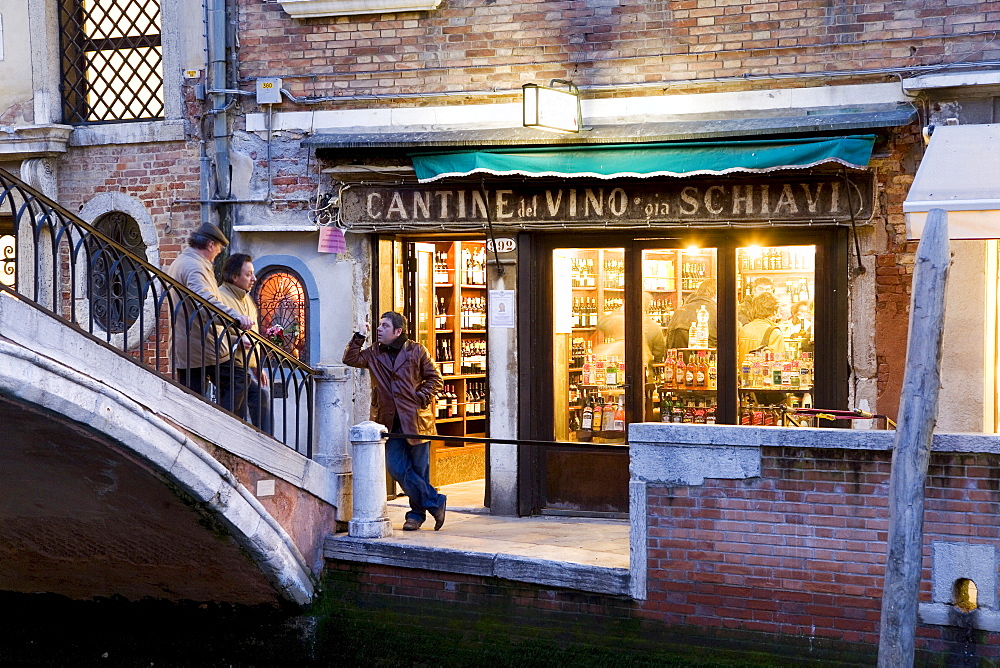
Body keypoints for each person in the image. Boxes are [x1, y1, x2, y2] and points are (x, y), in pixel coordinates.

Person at [343, 311, 447, 531]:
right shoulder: (373, 353)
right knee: (396, 467)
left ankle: (416, 516)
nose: (379, 329)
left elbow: (435, 378)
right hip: (388, 421)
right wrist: (359, 336)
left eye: (385, 326)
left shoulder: (417, 350)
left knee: (419, 470)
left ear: (398, 331)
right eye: (379, 325)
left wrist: (421, 396)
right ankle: (436, 501)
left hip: (416, 420)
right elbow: (350, 358)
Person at [166, 222, 254, 414]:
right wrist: (236, 317)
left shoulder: (181, 262)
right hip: (203, 347)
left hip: (190, 348)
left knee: (193, 401)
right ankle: (223, 425)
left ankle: (203, 432)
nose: (218, 254)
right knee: (238, 378)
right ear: (210, 245)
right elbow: (205, 303)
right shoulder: (195, 267)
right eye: (219, 249)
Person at [218, 253, 272, 434]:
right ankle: (227, 435)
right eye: (248, 274)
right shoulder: (220, 297)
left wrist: (256, 365)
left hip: (242, 366)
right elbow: (213, 332)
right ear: (234, 277)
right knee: (239, 402)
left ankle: (265, 440)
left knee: (259, 396)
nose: (254, 279)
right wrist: (236, 340)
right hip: (225, 365)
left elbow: (253, 335)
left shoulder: (247, 299)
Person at [664, 278, 717, 349]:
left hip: (680, 359)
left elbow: (668, 344)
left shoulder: (679, 312)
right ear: (715, 294)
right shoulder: (719, 312)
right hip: (707, 359)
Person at [737, 291, 786, 362]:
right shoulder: (774, 333)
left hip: (744, 372)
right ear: (774, 311)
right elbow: (778, 364)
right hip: (764, 372)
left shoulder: (744, 329)